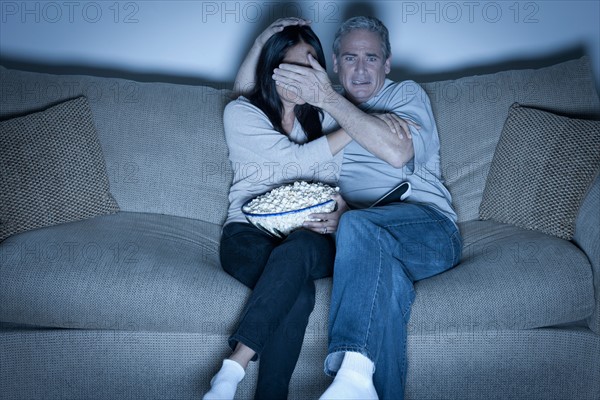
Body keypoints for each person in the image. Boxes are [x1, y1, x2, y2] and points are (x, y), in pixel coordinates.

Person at [272, 16, 463, 399]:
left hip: (428, 230)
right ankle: (359, 387)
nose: (360, 70)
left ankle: (348, 372)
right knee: (386, 292)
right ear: (336, 65)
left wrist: (329, 99)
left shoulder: (405, 96)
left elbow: (396, 151)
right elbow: (257, 95)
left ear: (387, 64)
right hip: (370, 241)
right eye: (350, 58)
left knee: (356, 227)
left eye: (371, 58)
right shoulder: (323, 115)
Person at [203, 20, 352, 400]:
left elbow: (332, 180)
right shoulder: (241, 114)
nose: (307, 79)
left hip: (311, 235)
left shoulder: (325, 118)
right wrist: (357, 125)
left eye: (313, 67)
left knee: (299, 250)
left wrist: (343, 211)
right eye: (296, 69)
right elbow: (294, 162)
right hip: (248, 232)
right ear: (272, 68)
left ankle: (232, 366)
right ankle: (251, 385)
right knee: (299, 296)